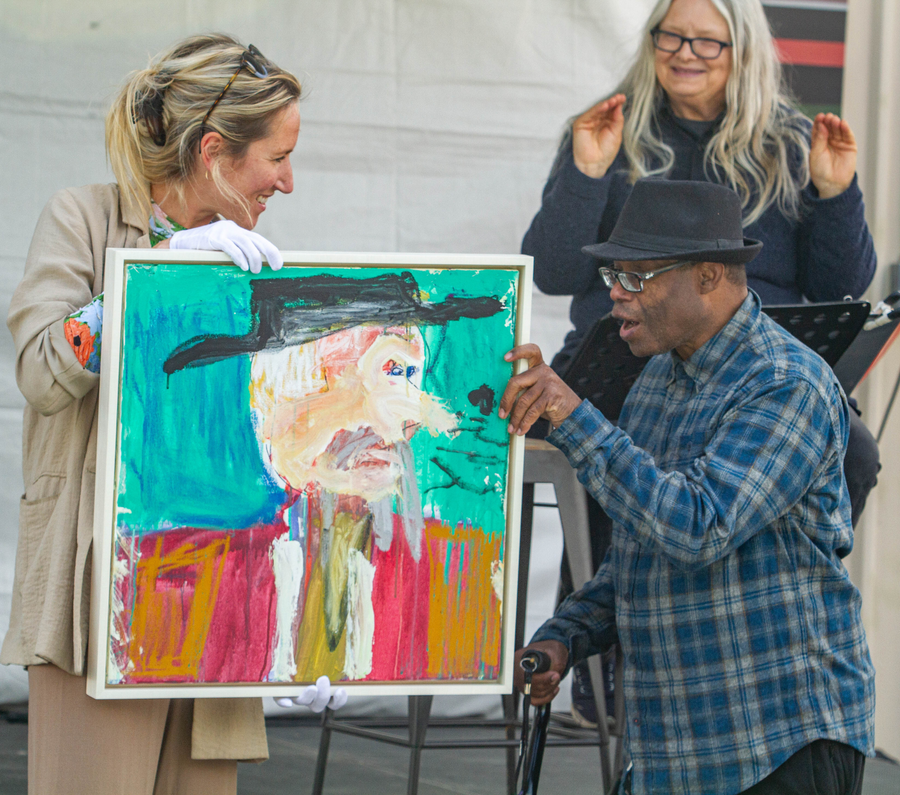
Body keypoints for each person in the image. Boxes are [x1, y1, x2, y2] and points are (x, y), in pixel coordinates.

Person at [2, 34, 345, 795]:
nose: (288, 181)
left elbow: (275, 449)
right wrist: (163, 270)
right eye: (277, 156)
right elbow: (39, 371)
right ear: (216, 150)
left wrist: (310, 622)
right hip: (103, 609)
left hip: (219, 603)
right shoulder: (83, 219)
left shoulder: (248, 256)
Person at [522, 0, 879, 726]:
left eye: (706, 41)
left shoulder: (787, 142)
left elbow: (839, 283)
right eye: (670, 36)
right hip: (620, 356)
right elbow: (556, 271)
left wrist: (836, 194)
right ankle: (612, 649)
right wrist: (587, 173)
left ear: (742, 49)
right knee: (617, 446)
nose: (685, 52)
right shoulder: (610, 130)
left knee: (857, 452)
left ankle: (754, 605)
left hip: (753, 366)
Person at [503, 178, 875, 795]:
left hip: (779, 746)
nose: (617, 297)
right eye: (612, 277)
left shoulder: (785, 384)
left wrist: (573, 418)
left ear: (708, 276)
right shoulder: (655, 383)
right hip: (674, 753)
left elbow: (698, 527)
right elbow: (641, 560)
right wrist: (568, 633)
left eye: (637, 278)